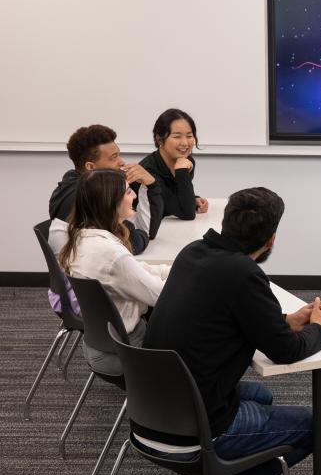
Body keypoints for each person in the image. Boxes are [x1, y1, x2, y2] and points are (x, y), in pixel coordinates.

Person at [143, 187, 321, 475]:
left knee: (260, 396)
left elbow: (226, 315)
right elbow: (285, 351)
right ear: (271, 237)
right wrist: (319, 329)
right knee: (312, 426)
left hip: (152, 411)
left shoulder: (193, 253)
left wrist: (286, 319)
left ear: (226, 220)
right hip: (196, 428)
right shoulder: (243, 273)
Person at [58, 169, 170, 375]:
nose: (134, 195)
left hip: (101, 344)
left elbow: (137, 271)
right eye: (128, 192)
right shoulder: (111, 254)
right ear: (111, 202)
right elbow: (160, 296)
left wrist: (175, 271)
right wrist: (194, 282)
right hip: (127, 349)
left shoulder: (82, 237)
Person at [49, 124, 163, 255]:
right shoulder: (91, 196)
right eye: (113, 158)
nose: (122, 162)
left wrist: (150, 184)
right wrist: (142, 233)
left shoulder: (71, 184)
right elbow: (134, 243)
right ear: (90, 167)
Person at [140, 108, 208, 223]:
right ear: (159, 139)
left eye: (189, 136)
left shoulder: (185, 161)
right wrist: (182, 172)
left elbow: (173, 196)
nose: (185, 143)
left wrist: (193, 199)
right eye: (177, 136)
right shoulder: (149, 170)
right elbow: (187, 214)